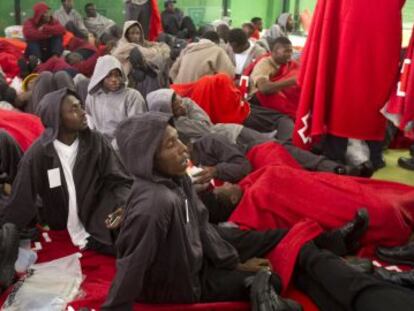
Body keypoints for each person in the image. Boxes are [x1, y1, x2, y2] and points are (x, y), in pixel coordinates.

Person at [102, 112, 414, 311]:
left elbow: (201, 228)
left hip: (199, 256)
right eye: (170, 145)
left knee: (285, 240)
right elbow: (131, 267)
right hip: (186, 281)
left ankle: (336, 255)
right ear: (147, 157)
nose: (183, 148)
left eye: (178, 139)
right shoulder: (154, 204)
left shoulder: (177, 181)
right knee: (281, 269)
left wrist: (234, 261)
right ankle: (363, 278)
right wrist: (239, 269)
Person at [1, 88, 131, 253]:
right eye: (74, 109)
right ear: (57, 119)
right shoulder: (39, 153)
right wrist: (8, 235)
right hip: (60, 223)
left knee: (133, 241)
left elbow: (119, 179)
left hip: (98, 217)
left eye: (81, 106)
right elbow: (22, 197)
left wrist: (123, 206)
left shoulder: (96, 141)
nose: (83, 113)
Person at [146, 89, 365, 175]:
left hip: (235, 134)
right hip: (231, 141)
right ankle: (333, 168)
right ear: (165, 110)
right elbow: (206, 126)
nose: (180, 103)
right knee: (281, 150)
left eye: (177, 98)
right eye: (174, 103)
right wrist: (187, 109)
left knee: (281, 147)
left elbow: (205, 121)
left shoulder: (182, 115)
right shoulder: (179, 126)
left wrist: (185, 104)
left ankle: (333, 168)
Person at [293, 0, 405, 170]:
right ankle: (372, 156)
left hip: (354, 39)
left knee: (341, 94)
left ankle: (338, 155)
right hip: (378, 38)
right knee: (370, 97)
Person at [86, 55, 147, 142]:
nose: (114, 79)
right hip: (99, 145)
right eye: (109, 76)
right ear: (100, 77)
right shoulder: (93, 96)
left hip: (124, 145)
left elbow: (135, 128)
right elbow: (90, 122)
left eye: (117, 75)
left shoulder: (132, 96)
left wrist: (114, 147)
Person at [112, 20, 171, 96]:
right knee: (144, 72)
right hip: (129, 79)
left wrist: (157, 50)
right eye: (132, 33)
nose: (135, 36)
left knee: (160, 60)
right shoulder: (125, 46)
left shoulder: (143, 44)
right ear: (126, 34)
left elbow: (163, 47)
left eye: (137, 33)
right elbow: (149, 53)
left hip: (144, 75)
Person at [250, 37, 300, 120]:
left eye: (291, 51)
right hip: (260, 102)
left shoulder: (291, 64)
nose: (289, 54)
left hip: (285, 99)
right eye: (286, 51)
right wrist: (292, 81)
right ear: (274, 52)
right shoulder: (264, 64)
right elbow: (264, 89)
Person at [169, 31, 235, 84]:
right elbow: (230, 74)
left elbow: (172, 71)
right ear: (216, 42)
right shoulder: (217, 50)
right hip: (199, 94)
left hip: (179, 92)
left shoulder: (187, 49)